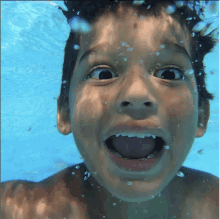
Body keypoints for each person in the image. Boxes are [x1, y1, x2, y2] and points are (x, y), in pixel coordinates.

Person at [1, 1, 219, 218]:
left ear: (202, 115)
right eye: (103, 74)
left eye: (169, 74)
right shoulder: (18, 208)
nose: (137, 94)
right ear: (66, 111)